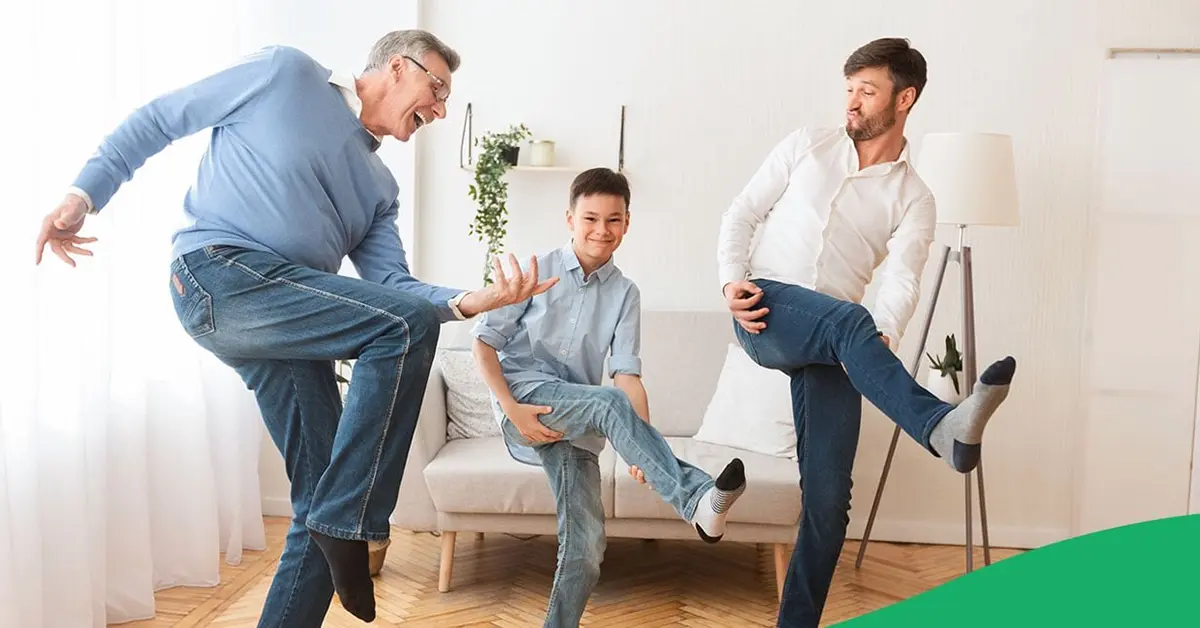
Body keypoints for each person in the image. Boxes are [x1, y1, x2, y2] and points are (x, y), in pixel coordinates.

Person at [32, 30, 555, 626]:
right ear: (393, 67)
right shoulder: (286, 75)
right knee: (389, 370)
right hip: (217, 275)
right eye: (435, 88)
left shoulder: (381, 190)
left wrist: (471, 299)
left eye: (445, 99)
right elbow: (161, 118)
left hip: (288, 321)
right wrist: (84, 192)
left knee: (317, 499)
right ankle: (353, 523)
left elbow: (395, 290)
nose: (439, 108)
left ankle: (337, 527)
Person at [716, 38, 1017, 627]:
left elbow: (902, 279)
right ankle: (939, 427)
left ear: (904, 99)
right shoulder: (806, 145)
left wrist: (880, 340)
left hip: (836, 341)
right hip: (766, 307)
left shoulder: (915, 197)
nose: (851, 103)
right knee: (852, 322)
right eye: (849, 89)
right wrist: (730, 282)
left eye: (867, 91)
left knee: (829, 504)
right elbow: (742, 212)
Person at [471, 167, 748, 628]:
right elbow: (483, 344)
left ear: (627, 223)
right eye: (591, 218)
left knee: (586, 546)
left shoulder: (625, 293)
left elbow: (626, 377)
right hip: (525, 403)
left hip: (574, 425)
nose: (602, 230)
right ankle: (697, 498)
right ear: (570, 219)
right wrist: (512, 409)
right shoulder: (536, 271)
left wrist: (640, 443)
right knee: (605, 404)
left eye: (614, 220)